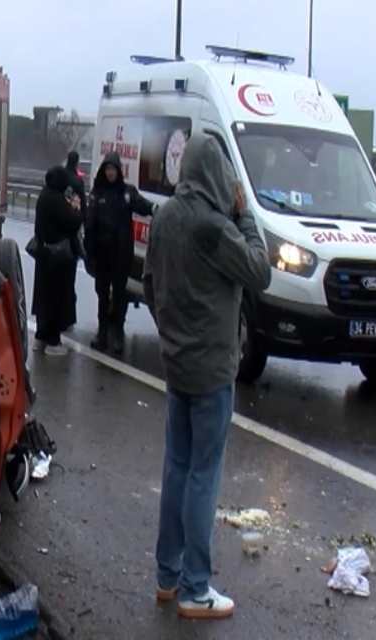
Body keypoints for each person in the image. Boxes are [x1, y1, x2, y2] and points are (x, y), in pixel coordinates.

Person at [142, 134, 270, 619]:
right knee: (203, 475)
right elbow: (260, 272)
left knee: (176, 468)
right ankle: (197, 589)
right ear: (218, 173)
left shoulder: (166, 217)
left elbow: (151, 285)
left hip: (176, 364)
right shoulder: (214, 227)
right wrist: (246, 216)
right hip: (212, 368)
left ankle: (167, 575)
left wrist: (170, 333)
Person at [85, 152, 155, 355]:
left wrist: (155, 209)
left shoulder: (127, 192)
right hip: (102, 255)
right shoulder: (97, 194)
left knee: (120, 295)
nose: (110, 173)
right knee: (102, 295)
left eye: (113, 169)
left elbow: (143, 205)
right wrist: (89, 251)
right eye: (107, 169)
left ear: (118, 171)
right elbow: (90, 224)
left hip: (121, 255)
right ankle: (102, 333)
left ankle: (117, 334)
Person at [32, 166, 83, 355]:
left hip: (43, 254)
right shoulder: (56, 199)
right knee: (55, 299)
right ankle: (53, 342)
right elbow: (72, 221)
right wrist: (76, 208)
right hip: (57, 257)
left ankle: (40, 338)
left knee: (43, 300)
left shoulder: (44, 195)